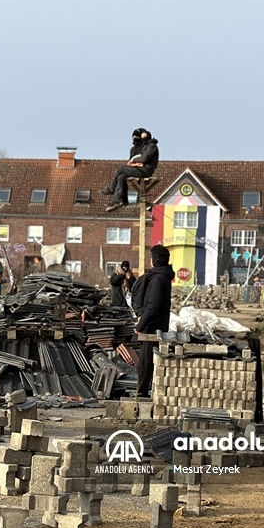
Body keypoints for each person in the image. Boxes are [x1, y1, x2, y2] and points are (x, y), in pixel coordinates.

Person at [135, 245, 175, 396]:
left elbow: (153, 306)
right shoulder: (164, 277)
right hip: (159, 325)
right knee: (152, 361)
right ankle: (147, 391)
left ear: (154, 260)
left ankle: (142, 394)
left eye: (151, 258)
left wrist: (140, 326)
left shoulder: (157, 279)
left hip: (151, 327)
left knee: (145, 362)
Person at [102, 128, 159, 209]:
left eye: (144, 138)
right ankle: (119, 200)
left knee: (121, 168)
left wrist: (133, 160)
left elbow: (144, 158)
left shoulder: (152, 146)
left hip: (144, 170)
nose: (143, 140)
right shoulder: (146, 146)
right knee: (121, 177)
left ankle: (111, 188)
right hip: (139, 169)